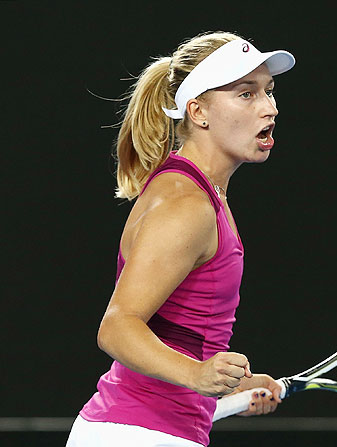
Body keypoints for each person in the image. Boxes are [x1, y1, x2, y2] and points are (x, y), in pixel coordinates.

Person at [66, 31, 295, 447]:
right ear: (198, 111)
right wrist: (196, 375)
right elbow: (116, 328)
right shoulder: (186, 204)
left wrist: (226, 386)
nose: (270, 108)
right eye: (247, 94)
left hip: (152, 431)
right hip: (137, 435)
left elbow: (180, 330)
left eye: (269, 92)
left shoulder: (206, 194)